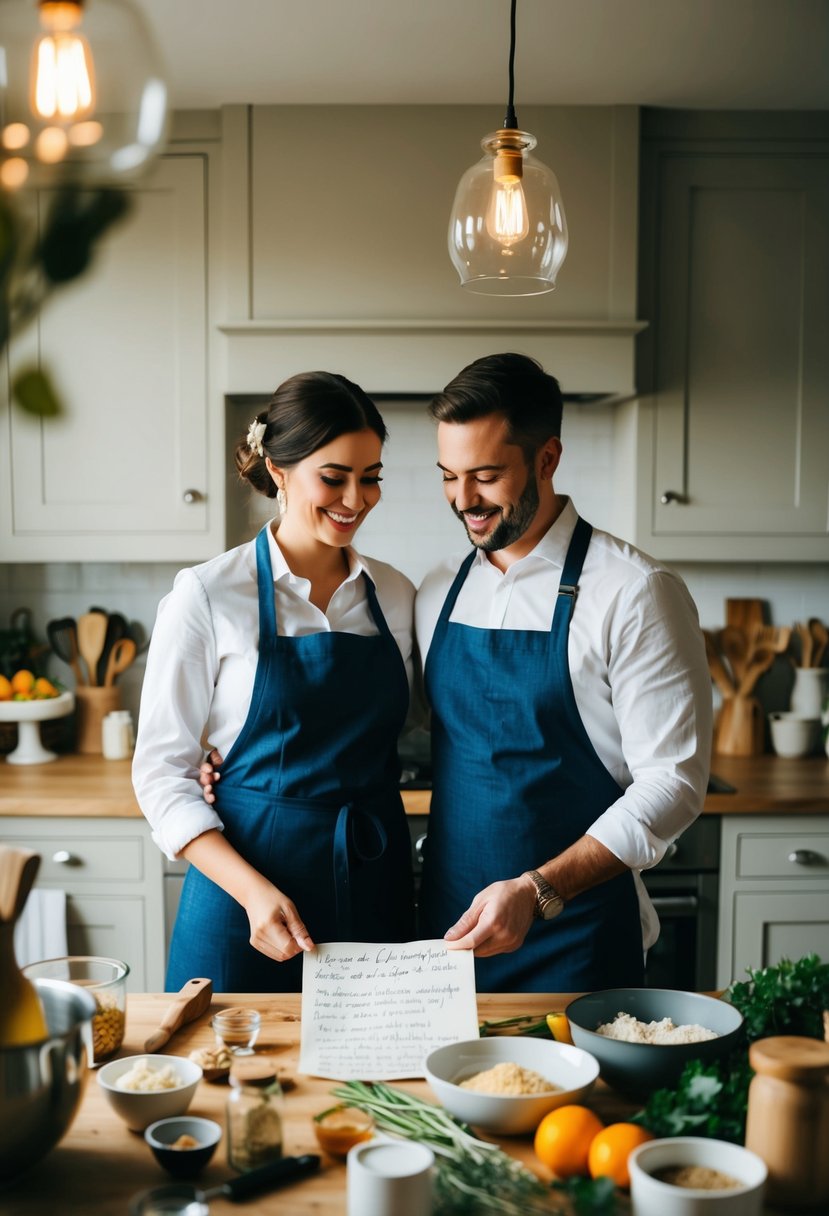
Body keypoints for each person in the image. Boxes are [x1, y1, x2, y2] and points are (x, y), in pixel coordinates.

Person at [414, 352, 712, 993]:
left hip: (577, 936)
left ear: (546, 460)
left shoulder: (634, 591)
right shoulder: (438, 587)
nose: (463, 501)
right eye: (448, 476)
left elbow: (675, 783)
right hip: (450, 936)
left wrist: (540, 889)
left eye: (486, 476)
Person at [132, 371, 417, 992]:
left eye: (370, 477)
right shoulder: (207, 595)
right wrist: (253, 893)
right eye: (334, 477)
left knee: (373, 1086)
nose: (356, 498)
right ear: (279, 469)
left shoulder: (394, 595)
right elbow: (160, 774)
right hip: (242, 901)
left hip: (373, 890)